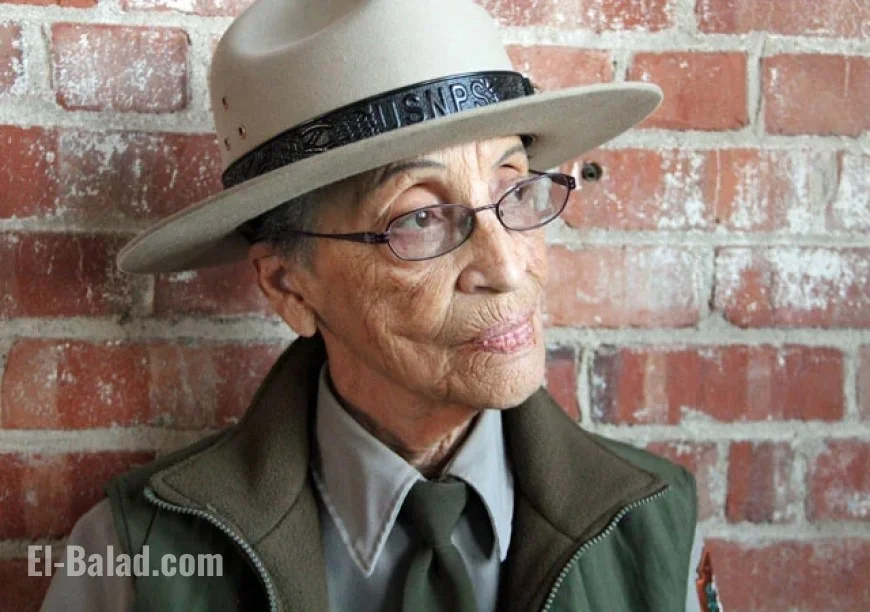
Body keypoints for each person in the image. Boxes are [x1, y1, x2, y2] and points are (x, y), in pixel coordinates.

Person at [40, 0, 721, 610]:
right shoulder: (137, 560)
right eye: (420, 218)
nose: (509, 269)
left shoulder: (652, 530)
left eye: (514, 189)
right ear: (288, 287)